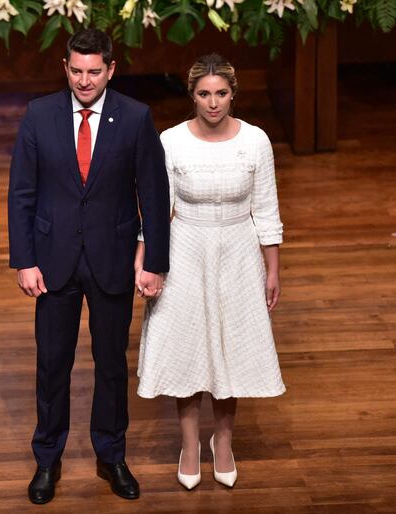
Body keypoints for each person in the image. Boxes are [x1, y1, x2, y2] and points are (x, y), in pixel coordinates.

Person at [8, 29, 170, 504]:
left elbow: (154, 196)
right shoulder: (39, 114)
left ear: (111, 70)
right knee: (51, 365)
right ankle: (47, 459)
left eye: (94, 71)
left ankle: (112, 455)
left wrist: (155, 262)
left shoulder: (136, 117)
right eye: (76, 71)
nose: (84, 80)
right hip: (52, 263)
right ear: (65, 68)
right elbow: (22, 193)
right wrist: (24, 261)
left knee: (111, 366)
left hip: (113, 261)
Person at [136, 53, 285, 490]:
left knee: (229, 348)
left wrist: (272, 270)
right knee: (189, 349)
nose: (213, 103)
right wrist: (145, 262)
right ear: (193, 95)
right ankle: (188, 445)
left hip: (239, 251)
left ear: (233, 94)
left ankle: (223, 442)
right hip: (186, 249)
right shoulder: (171, 141)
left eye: (221, 94)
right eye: (204, 94)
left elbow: (267, 209)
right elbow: (157, 211)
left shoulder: (256, 141)